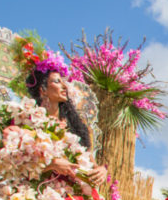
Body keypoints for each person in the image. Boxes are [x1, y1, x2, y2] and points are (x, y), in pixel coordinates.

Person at [24, 56, 108, 185]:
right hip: (38, 192)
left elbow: (92, 164)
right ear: (43, 90)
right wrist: (52, 165)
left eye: (64, 81)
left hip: (71, 195)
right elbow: (20, 167)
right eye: (57, 82)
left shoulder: (75, 127)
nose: (64, 86)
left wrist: (101, 171)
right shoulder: (30, 121)